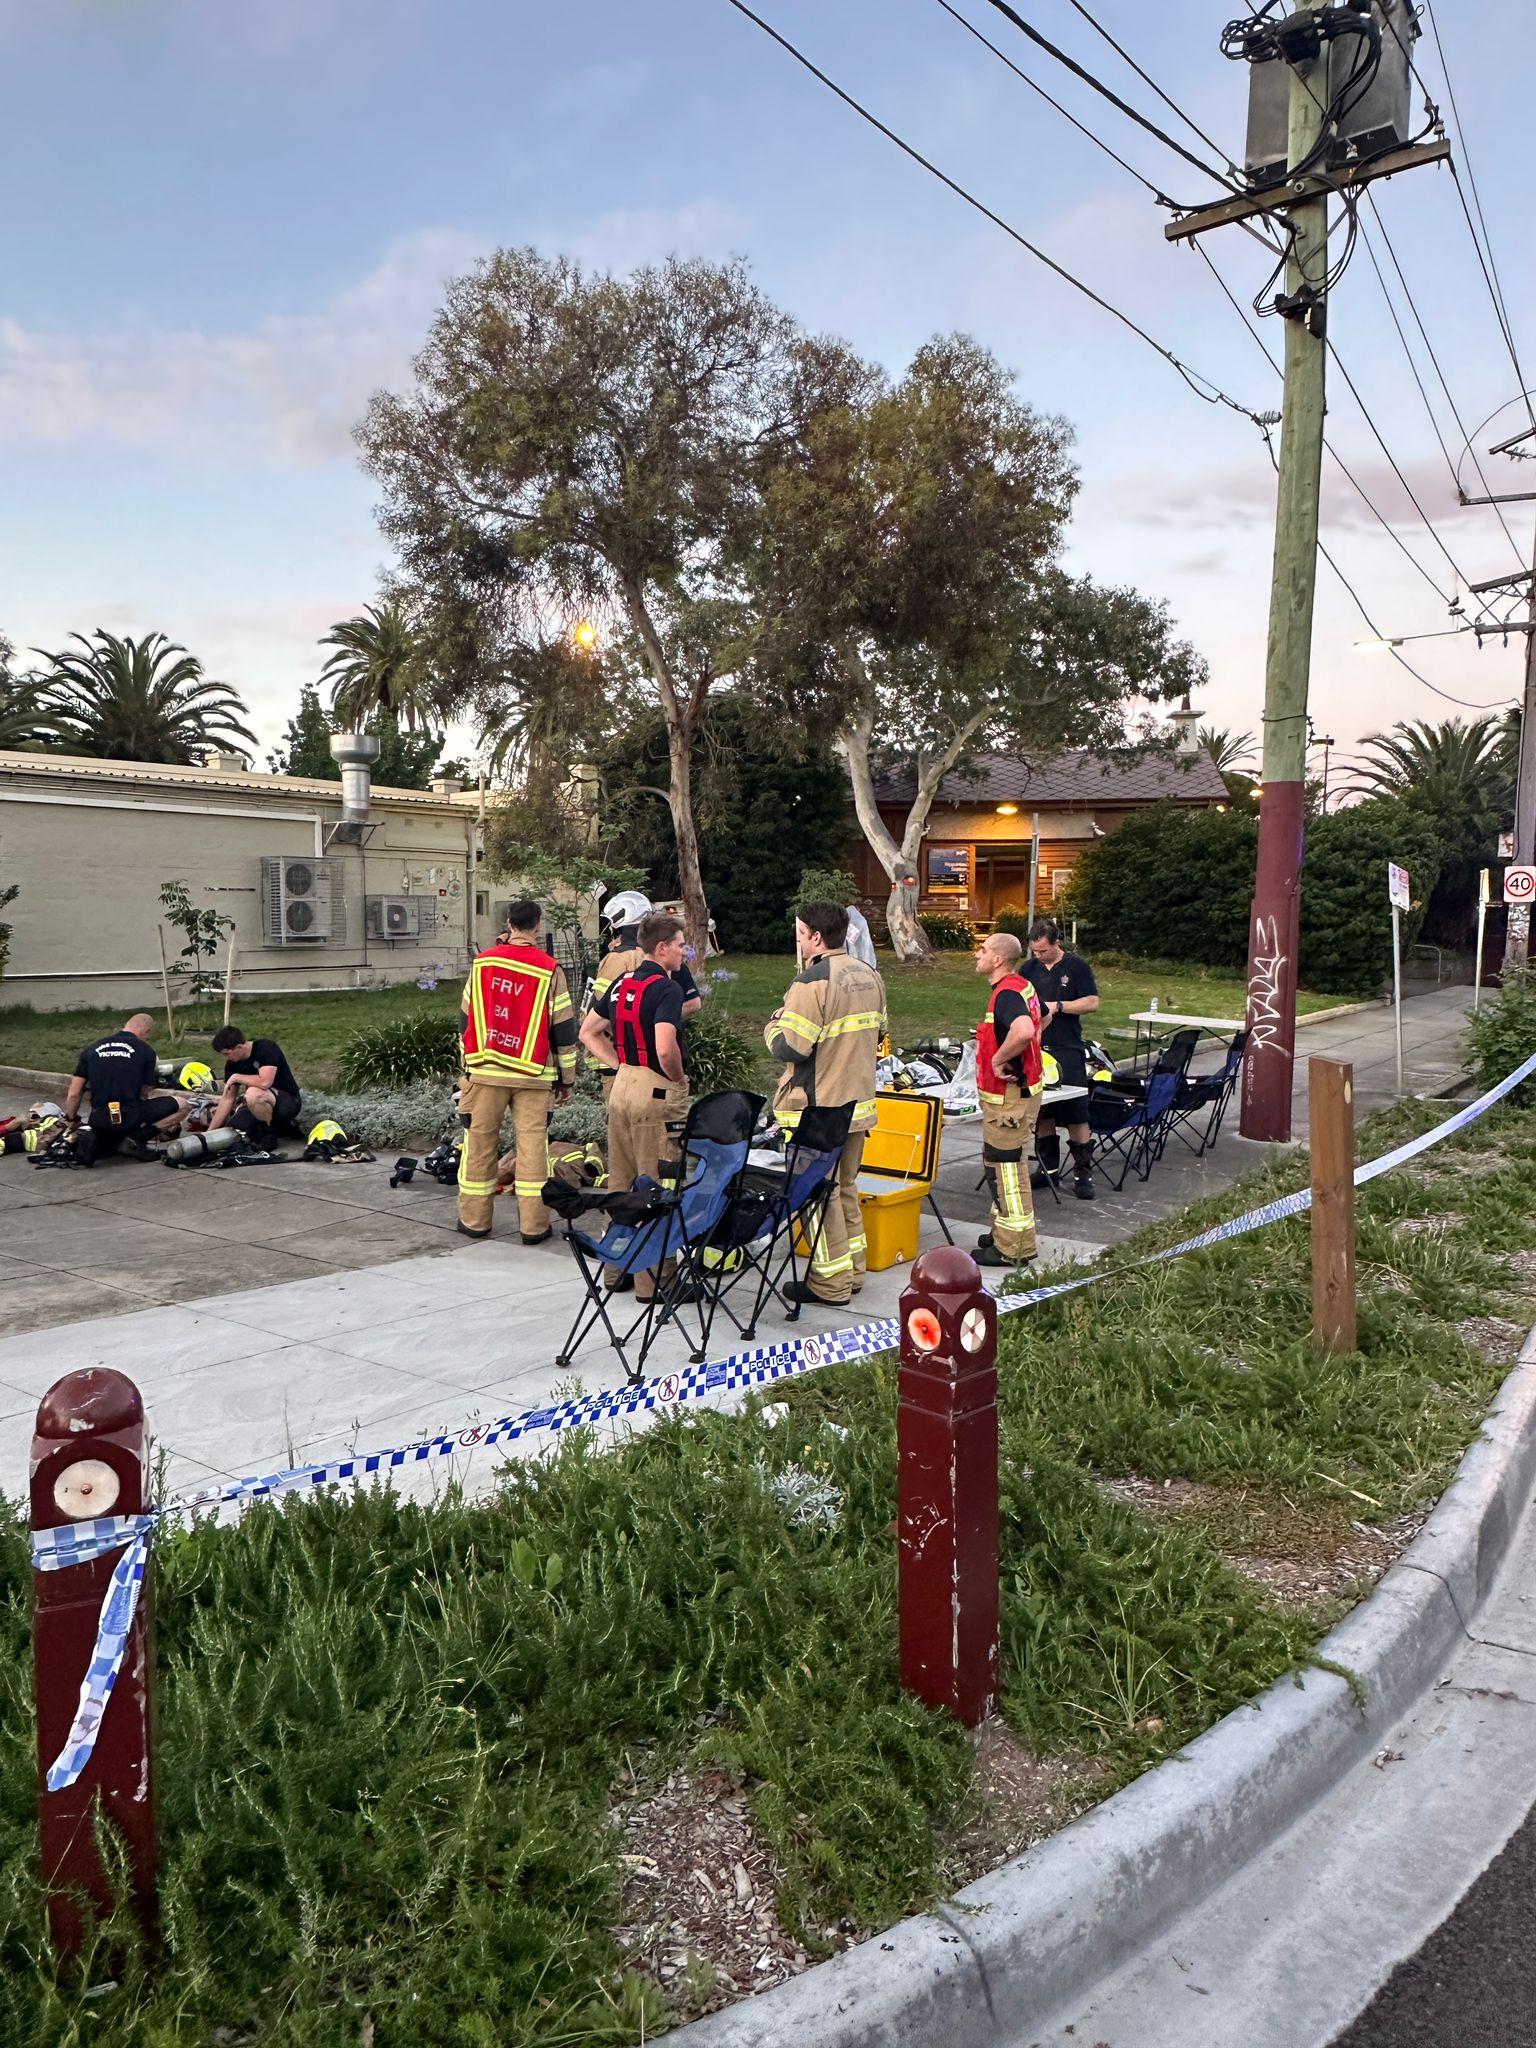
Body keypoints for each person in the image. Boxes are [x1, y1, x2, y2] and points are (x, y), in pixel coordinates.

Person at [764, 900, 886, 1308]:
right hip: (858, 1103)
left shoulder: (811, 982)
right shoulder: (869, 975)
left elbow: (791, 1047)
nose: (798, 942)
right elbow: (879, 1032)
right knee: (845, 1187)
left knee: (818, 1192)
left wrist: (774, 1024)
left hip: (818, 1107)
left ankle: (830, 1284)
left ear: (816, 937)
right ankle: (853, 1273)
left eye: (800, 934)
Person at [580, 911, 693, 1300]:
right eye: (680, 946)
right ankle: (656, 1283)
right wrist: (676, 1078)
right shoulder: (667, 989)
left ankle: (615, 1271)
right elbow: (665, 1045)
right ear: (662, 949)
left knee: (620, 1182)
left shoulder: (622, 983)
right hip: (654, 1091)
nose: (684, 953)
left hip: (623, 1085)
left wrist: (619, 1064)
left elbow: (588, 1032)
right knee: (655, 1184)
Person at [457, 899, 578, 1243]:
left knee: (479, 1145)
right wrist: (566, 1079)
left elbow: (465, 1019)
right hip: (533, 1076)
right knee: (532, 1152)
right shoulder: (550, 969)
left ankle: (474, 1221)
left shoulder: (482, 964)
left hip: (485, 1071)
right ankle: (534, 1227)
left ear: (509, 923)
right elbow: (564, 1031)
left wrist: (466, 1066)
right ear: (537, 926)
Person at [971, 931, 1045, 1267]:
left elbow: (1025, 1030)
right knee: (999, 1165)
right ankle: (1002, 1232)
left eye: (983, 950)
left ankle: (1014, 1248)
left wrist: (1000, 1060)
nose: (977, 955)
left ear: (998, 959)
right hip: (1022, 1095)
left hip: (1007, 1101)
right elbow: (1043, 1015)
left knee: (1008, 1171)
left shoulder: (1005, 995)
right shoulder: (1022, 986)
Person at [588, 890, 702, 1094]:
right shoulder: (667, 955)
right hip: (655, 1068)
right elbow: (693, 1003)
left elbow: (599, 1015)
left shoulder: (616, 960)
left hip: (621, 1062)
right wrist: (660, 1025)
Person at [1024, 917, 1101, 1201]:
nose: (1039, 955)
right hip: (1036, 1049)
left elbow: (1092, 1002)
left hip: (1067, 1047)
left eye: (1043, 950)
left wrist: (1057, 1007)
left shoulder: (1076, 967)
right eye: (1035, 951)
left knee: (1075, 1111)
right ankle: (1048, 1169)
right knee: (1043, 1111)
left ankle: (1083, 1173)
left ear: (1056, 943)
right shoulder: (1029, 969)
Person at [63, 1013, 182, 1159]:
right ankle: (135, 1138)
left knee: (108, 1125)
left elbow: (74, 1093)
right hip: (130, 1116)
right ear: (147, 1031)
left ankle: (104, 1139)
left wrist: (71, 1119)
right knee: (183, 1105)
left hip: (99, 1118)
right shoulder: (145, 1051)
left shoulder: (91, 1049)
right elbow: (143, 1093)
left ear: (126, 1025)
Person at [208, 1025, 303, 1134]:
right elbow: (228, 1099)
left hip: (287, 1101)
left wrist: (237, 1077)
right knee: (236, 1125)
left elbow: (265, 1082)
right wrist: (209, 1131)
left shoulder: (265, 1049)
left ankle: (268, 1134)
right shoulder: (232, 1064)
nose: (226, 1058)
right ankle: (275, 1127)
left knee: (253, 1094)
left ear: (239, 1047)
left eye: (227, 1054)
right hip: (260, 1105)